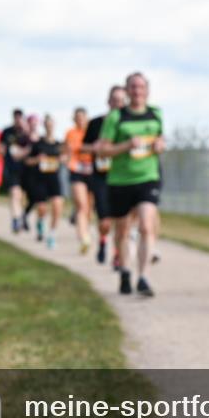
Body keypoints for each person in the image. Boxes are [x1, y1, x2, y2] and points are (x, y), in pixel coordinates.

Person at [95, 72, 165, 297]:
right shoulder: (116, 117)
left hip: (148, 177)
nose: (137, 91)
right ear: (127, 91)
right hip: (120, 180)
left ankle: (143, 277)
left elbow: (161, 139)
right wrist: (125, 146)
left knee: (146, 225)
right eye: (133, 87)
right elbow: (102, 150)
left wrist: (160, 145)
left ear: (147, 90)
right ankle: (125, 271)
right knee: (122, 230)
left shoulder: (156, 114)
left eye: (141, 87)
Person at [83, 85, 128, 266]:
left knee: (120, 220)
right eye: (115, 100)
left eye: (121, 100)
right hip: (101, 177)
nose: (118, 104)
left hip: (122, 177)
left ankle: (117, 253)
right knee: (105, 221)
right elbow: (83, 146)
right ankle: (102, 242)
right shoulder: (95, 123)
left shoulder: (128, 125)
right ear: (108, 101)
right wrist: (94, 148)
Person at [24, 114, 66, 249]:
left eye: (51, 125)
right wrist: (37, 159)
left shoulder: (59, 145)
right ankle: (40, 222)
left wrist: (63, 159)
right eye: (47, 125)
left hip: (54, 179)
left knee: (57, 206)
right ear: (44, 126)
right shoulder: (38, 144)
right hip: (40, 180)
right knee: (42, 208)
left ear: (54, 126)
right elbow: (28, 161)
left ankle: (52, 234)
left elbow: (67, 158)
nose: (49, 127)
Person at [65, 107, 95, 254]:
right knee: (81, 205)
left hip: (92, 171)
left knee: (89, 207)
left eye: (82, 117)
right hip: (76, 170)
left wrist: (84, 148)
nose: (80, 120)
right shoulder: (71, 133)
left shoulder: (93, 132)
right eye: (77, 117)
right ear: (74, 119)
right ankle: (83, 238)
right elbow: (70, 150)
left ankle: (85, 230)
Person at [0, 109, 32, 233]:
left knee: (23, 196)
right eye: (16, 118)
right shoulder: (7, 132)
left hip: (26, 170)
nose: (18, 120)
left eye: (20, 118)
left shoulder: (27, 133)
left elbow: (33, 147)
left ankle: (22, 216)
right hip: (12, 169)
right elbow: (2, 148)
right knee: (15, 194)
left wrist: (27, 132)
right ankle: (16, 219)